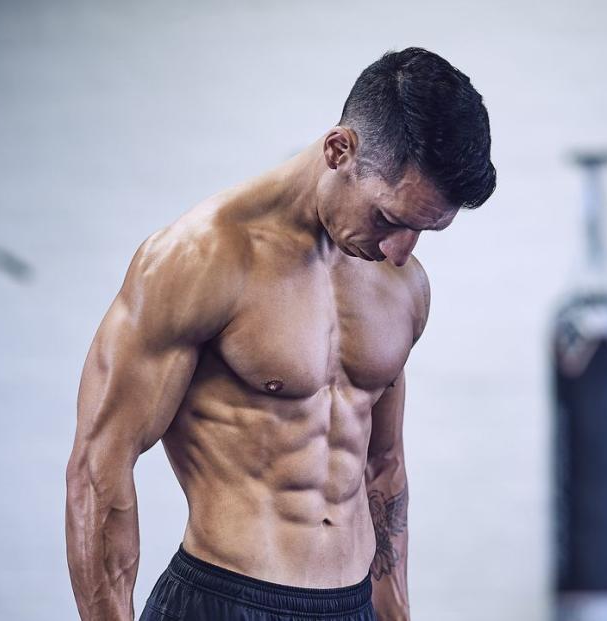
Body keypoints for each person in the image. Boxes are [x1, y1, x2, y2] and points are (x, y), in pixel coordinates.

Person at [66, 47, 496, 621]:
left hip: (353, 604)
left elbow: (383, 465)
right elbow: (101, 464)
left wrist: (394, 613)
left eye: (422, 231)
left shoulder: (402, 285)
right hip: (225, 600)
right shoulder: (201, 259)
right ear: (340, 150)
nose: (399, 251)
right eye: (389, 219)